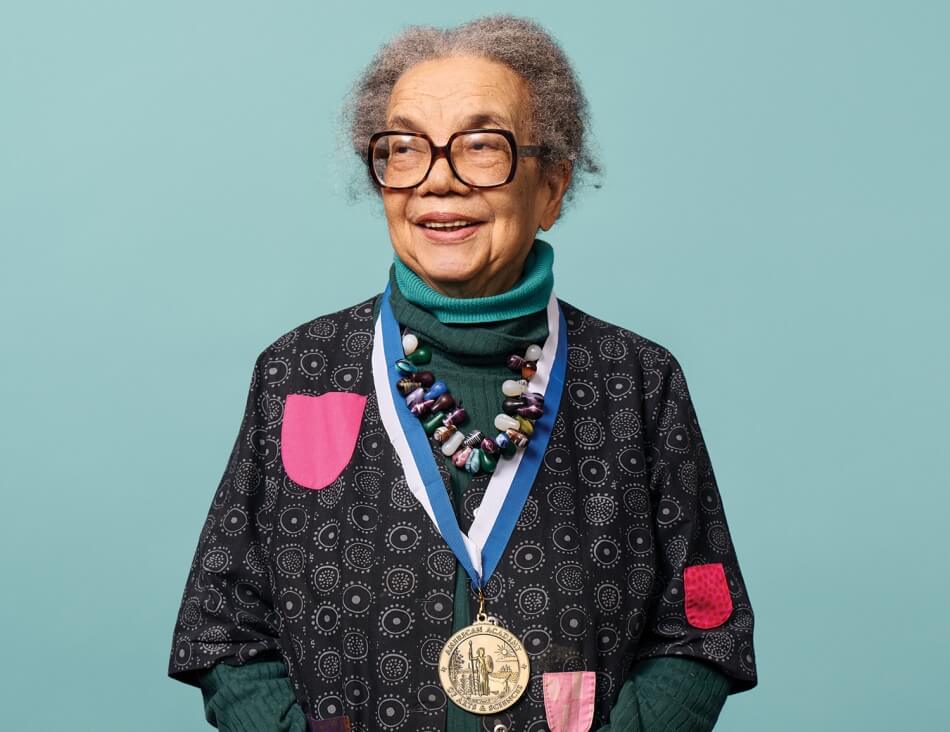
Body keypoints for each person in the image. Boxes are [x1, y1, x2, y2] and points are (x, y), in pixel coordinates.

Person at [167, 14, 758, 732]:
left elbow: (704, 625)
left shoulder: (638, 381)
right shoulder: (299, 373)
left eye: (482, 147)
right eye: (404, 149)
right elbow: (223, 628)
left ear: (552, 187)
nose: (437, 181)